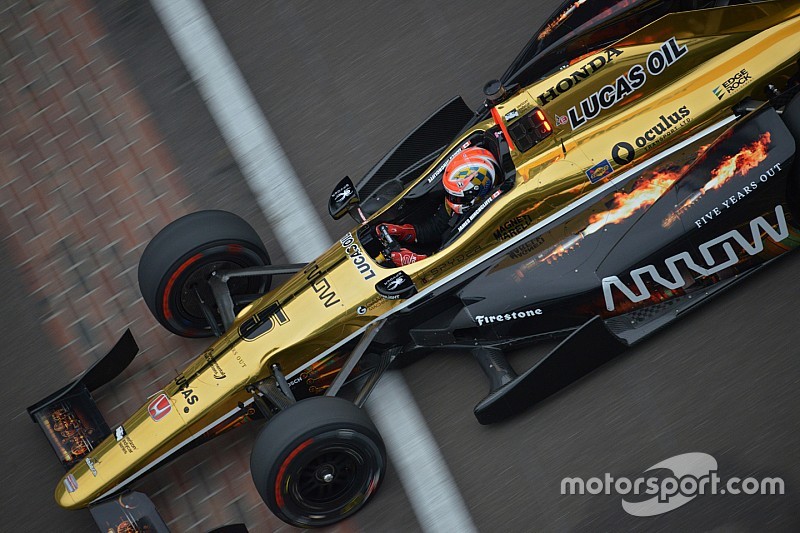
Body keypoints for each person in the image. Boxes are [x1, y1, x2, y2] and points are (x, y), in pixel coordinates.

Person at [379, 147, 498, 266]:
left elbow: (460, 259)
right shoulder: (456, 205)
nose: (451, 199)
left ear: (475, 194)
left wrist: (418, 261)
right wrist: (405, 232)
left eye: (455, 197)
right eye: (450, 194)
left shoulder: (488, 219)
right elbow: (435, 227)